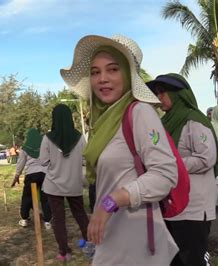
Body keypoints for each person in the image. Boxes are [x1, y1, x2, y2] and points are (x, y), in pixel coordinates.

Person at [61, 34, 179, 265]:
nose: (102, 79)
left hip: (135, 239)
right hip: (111, 234)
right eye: (95, 72)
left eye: (112, 69)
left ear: (127, 73)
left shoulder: (139, 113)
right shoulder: (103, 122)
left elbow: (165, 175)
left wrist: (111, 201)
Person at [146, 73, 218, 266]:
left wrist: (171, 162)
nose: (159, 99)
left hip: (194, 205)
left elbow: (206, 158)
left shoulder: (194, 121)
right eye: (157, 94)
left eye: (162, 93)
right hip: (171, 203)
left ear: (178, 94)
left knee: (193, 257)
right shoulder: (165, 122)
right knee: (174, 257)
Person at [39, 104, 88, 262]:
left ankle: (64, 251)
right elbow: (85, 159)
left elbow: (43, 161)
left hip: (54, 185)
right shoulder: (80, 138)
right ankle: (90, 242)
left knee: (58, 219)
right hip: (74, 183)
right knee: (80, 214)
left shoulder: (47, 138)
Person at [12, 128, 52, 230]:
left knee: (27, 197)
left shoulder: (25, 148)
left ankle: (25, 219)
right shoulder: (44, 146)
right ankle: (47, 221)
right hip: (45, 174)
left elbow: (20, 164)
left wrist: (16, 176)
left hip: (31, 174)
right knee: (45, 197)